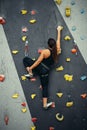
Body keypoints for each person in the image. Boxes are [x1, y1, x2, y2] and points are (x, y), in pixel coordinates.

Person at [23, 26, 63, 109]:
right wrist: (59, 30)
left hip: (39, 68)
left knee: (26, 59)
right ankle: (45, 104)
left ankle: (31, 73)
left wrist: (30, 68)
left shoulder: (46, 52)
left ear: (48, 45)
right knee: (45, 87)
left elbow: (38, 62)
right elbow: (58, 39)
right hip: (46, 72)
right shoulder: (58, 49)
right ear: (54, 44)